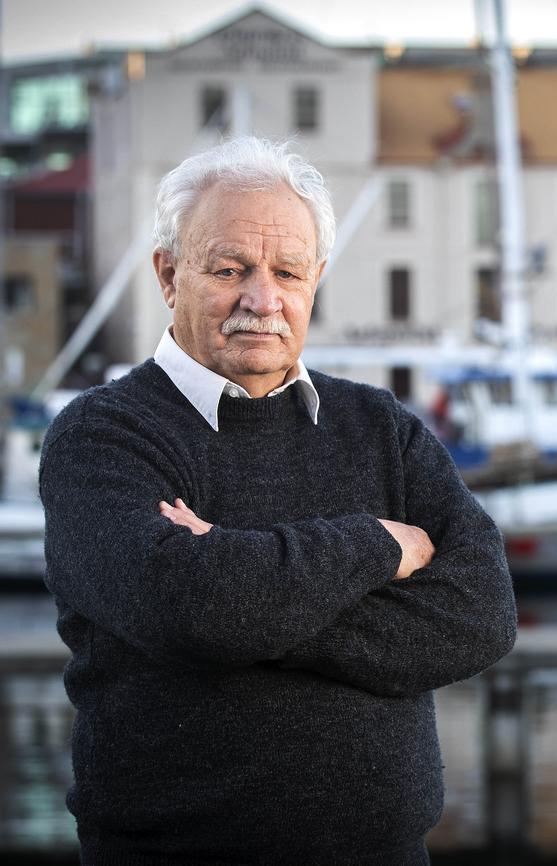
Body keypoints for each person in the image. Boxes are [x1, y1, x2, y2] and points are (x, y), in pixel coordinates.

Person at [40, 136, 517, 866]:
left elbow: (483, 616)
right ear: (169, 275)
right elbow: (192, 606)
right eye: (230, 269)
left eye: (287, 271)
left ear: (315, 279)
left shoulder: (381, 428)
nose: (262, 300)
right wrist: (376, 545)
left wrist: (244, 582)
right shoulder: (100, 436)